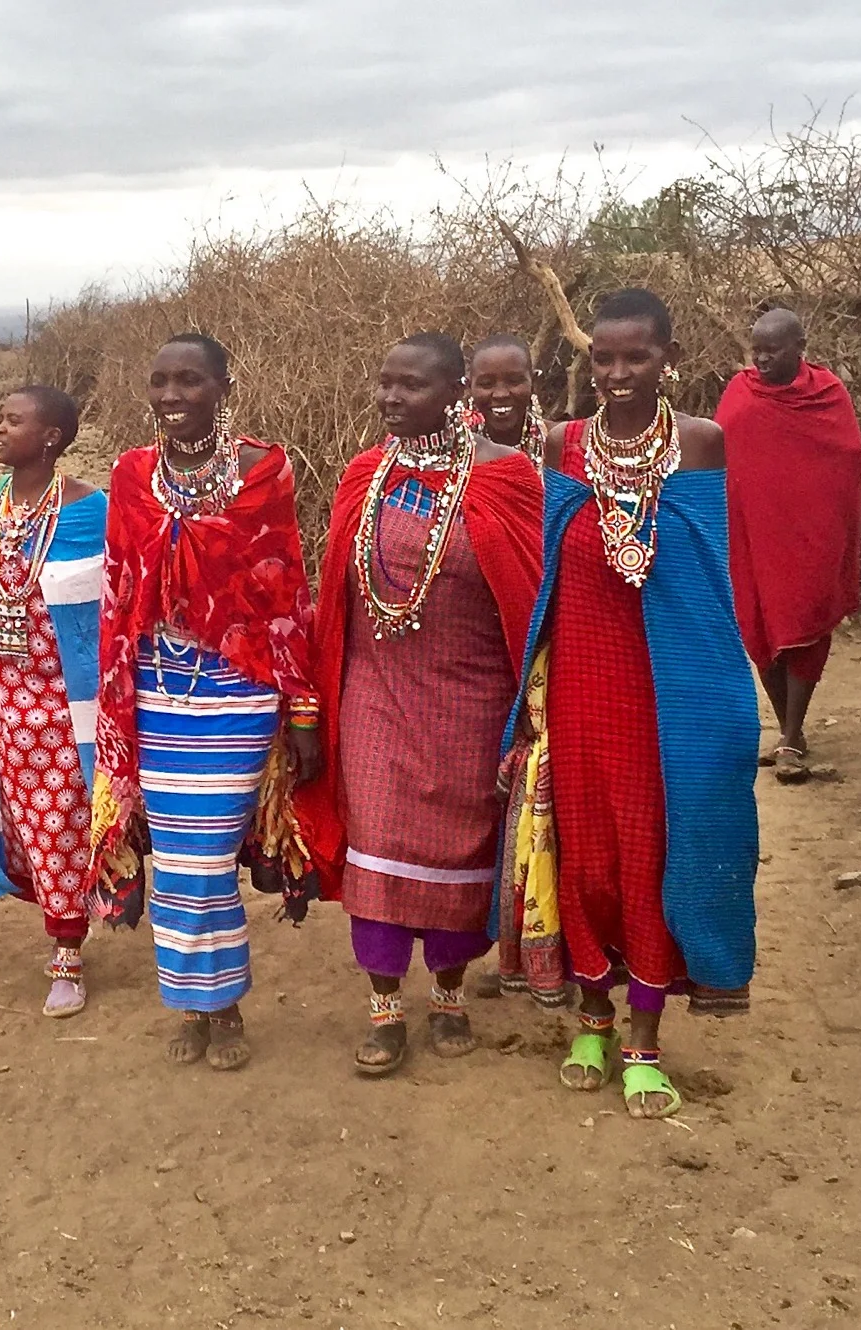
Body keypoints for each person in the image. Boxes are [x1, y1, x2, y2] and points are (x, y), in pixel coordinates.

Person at [507, 287, 759, 1119]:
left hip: (665, 701)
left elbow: (704, 593)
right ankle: (590, 1016)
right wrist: (533, 705)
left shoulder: (701, 446)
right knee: (585, 861)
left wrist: (722, 715)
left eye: (635, 357)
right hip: (579, 695)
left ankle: (644, 1038)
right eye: (602, 359)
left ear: (667, 357)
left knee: (651, 858)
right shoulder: (560, 447)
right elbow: (550, 581)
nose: (617, 374)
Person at [296, 336, 542, 1075]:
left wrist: (533, 708)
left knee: (458, 846)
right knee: (377, 840)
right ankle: (384, 1007)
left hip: (470, 695)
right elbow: (332, 590)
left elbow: (531, 598)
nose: (392, 398)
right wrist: (310, 704)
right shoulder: (365, 475)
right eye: (385, 384)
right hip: (375, 691)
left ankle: (448, 990)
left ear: (455, 391)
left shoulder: (507, 478)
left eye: (412, 386)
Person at [89, 332, 321, 1072]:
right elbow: (120, 591)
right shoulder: (131, 475)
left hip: (238, 688)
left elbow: (285, 591)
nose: (171, 397)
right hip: (156, 686)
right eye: (159, 382)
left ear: (224, 386)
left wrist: (302, 705)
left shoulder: (265, 470)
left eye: (189, 381)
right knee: (184, 857)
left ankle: (215, 999)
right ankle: (205, 1006)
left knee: (209, 855)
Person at [0, 387, 106, 1017]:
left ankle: (73, 941)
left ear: (50, 436)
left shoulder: (89, 511)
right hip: (6, 700)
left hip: (73, 703)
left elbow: (109, 607)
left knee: (75, 821)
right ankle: (67, 936)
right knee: (36, 827)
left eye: (12, 421)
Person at [714, 307, 861, 783]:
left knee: (803, 623)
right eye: (755, 349)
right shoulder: (740, 392)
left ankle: (792, 730)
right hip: (752, 536)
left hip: (810, 537)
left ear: (800, 347)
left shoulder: (826, 394)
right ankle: (788, 732)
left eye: (771, 350)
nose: (760, 359)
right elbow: (721, 456)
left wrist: (825, 518)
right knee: (759, 629)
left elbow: (847, 456)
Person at [467, 335, 547, 457]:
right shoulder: (457, 452)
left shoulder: (557, 444)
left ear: (533, 382)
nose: (501, 394)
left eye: (514, 381)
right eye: (486, 384)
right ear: (469, 387)